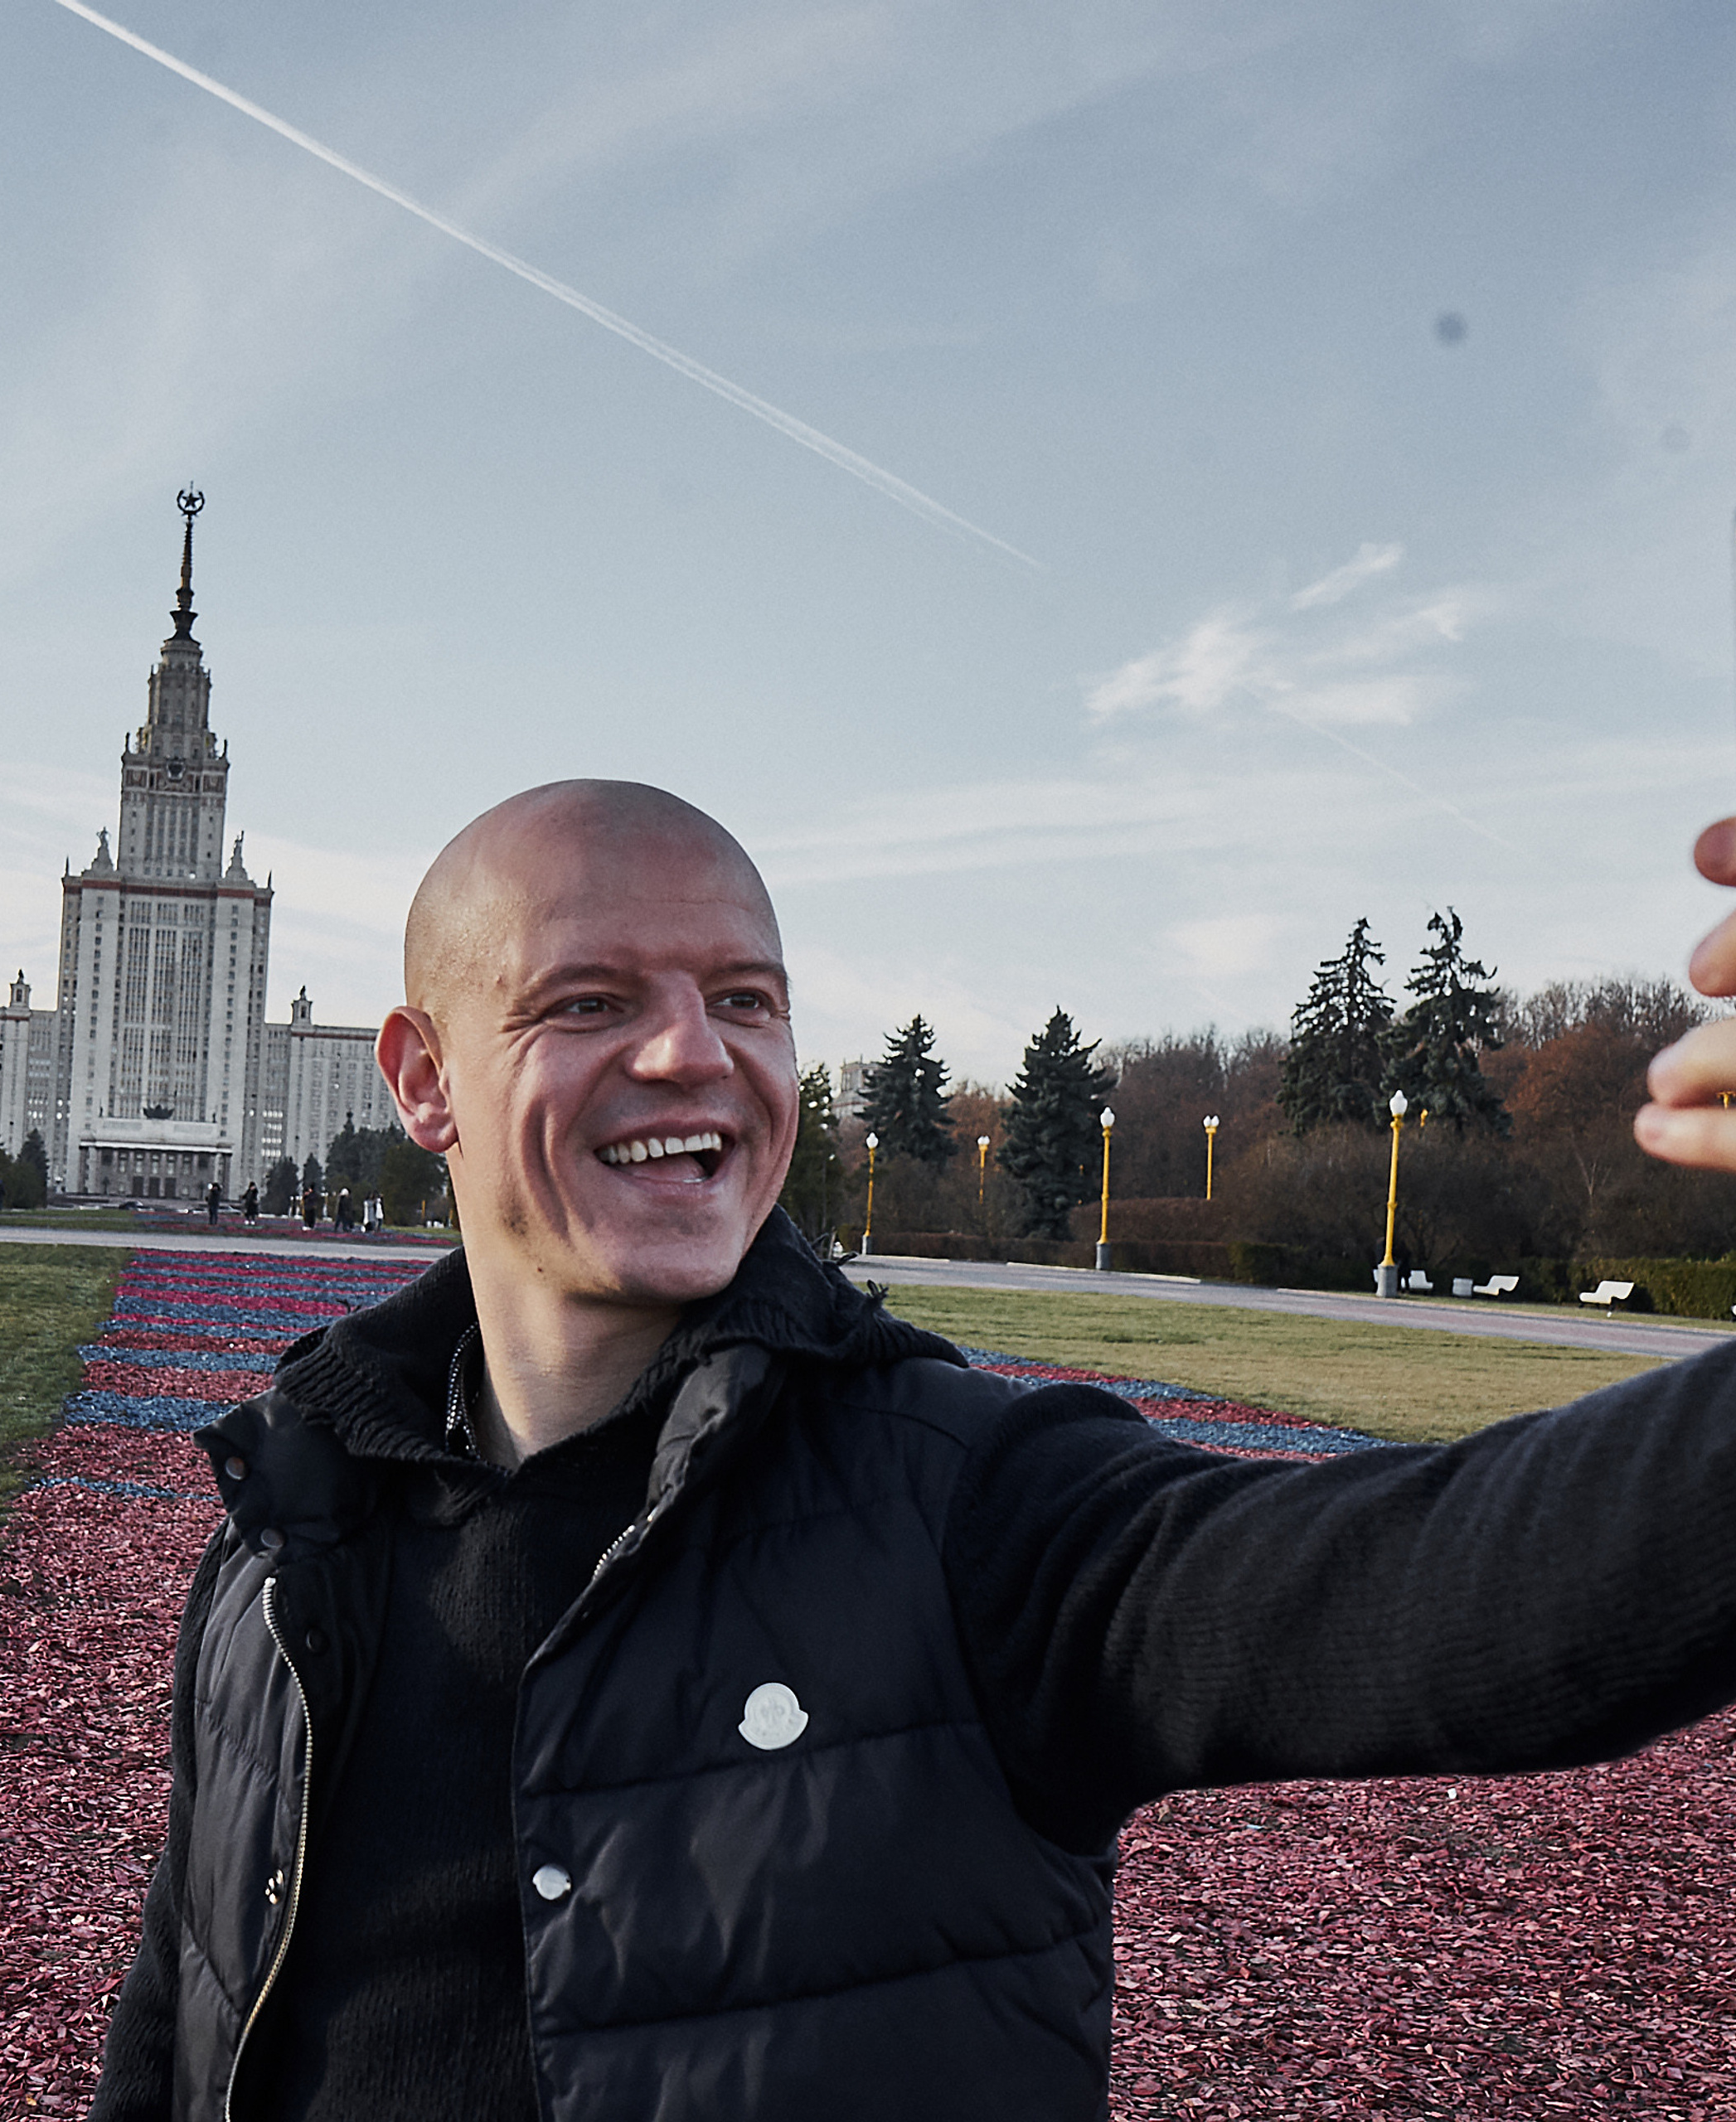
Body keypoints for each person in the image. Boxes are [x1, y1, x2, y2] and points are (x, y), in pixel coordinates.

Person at [90, 782, 1736, 2122]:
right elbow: (184, 2008)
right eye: (589, 1001)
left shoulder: (967, 1502)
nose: (690, 1052)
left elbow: (1461, 1596)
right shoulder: (288, 1528)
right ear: (425, 1077)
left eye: (742, 999)